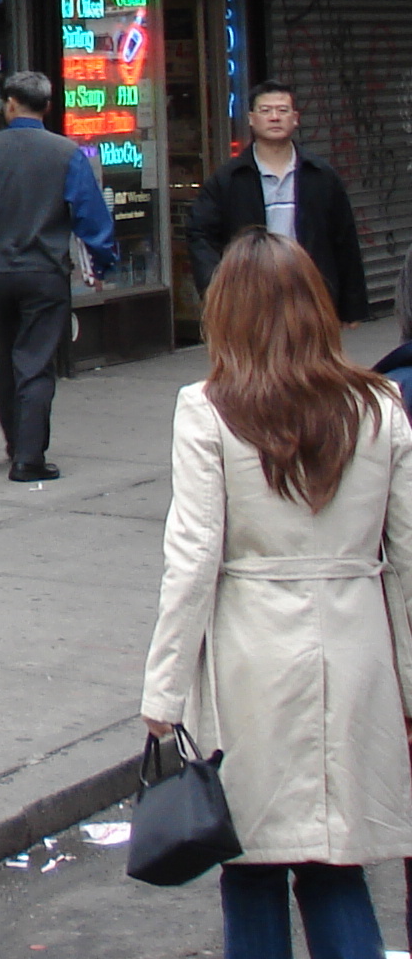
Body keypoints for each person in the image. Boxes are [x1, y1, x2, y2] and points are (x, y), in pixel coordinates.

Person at [141, 231, 412, 959]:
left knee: (252, 871)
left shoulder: (208, 408)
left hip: (250, 660)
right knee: (335, 870)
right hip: (355, 657)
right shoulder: (381, 407)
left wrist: (163, 694)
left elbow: (193, 559)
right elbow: (410, 562)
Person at [0, 70, 116, 482]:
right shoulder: (67, 153)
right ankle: (29, 457)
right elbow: (90, 215)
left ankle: (15, 442)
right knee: (35, 362)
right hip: (43, 272)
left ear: (9, 105)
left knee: (8, 354)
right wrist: (100, 264)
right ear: (47, 107)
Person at [188, 83, 368, 323]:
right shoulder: (229, 179)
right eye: (265, 111)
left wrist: (351, 308)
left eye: (282, 111)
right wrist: (218, 289)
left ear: (295, 119)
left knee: (311, 359)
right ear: (251, 119)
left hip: (310, 291)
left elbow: (344, 240)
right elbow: (200, 234)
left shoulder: (320, 175)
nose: (274, 117)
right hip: (252, 296)